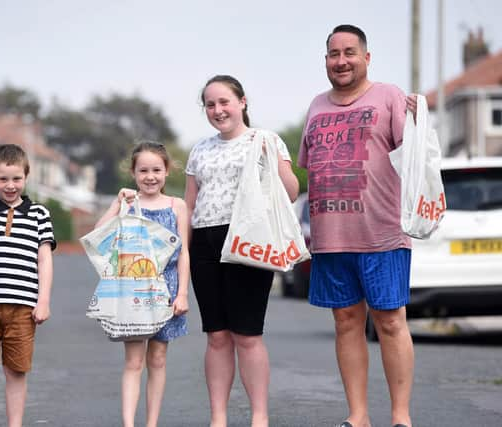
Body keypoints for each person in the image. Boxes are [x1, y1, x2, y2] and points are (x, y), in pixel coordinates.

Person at [298, 25, 417, 427]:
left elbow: (415, 156)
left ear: (366, 57)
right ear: (326, 60)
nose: (341, 61)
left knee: (389, 320)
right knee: (346, 322)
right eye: (333, 54)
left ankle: (400, 417)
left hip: (382, 232)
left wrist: (421, 122)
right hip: (331, 237)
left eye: (350, 52)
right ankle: (359, 416)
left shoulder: (390, 96)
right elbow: (305, 168)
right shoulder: (315, 106)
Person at [184, 75, 300, 427]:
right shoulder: (199, 149)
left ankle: (259, 417)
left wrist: (272, 161)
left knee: (247, 335)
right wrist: (180, 252)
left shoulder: (265, 139)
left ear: (242, 102)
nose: (218, 110)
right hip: (205, 241)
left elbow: (292, 192)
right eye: (210, 104)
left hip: (249, 239)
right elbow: (189, 205)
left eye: (224, 102)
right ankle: (218, 417)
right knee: (216, 335)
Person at [95, 141, 190, 427]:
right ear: (133, 173)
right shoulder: (128, 204)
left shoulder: (177, 206)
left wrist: (182, 293)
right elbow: (97, 235)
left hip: (168, 289)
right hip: (132, 291)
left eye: (156, 170)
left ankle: (151, 423)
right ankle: (128, 423)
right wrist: (116, 205)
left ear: (166, 171)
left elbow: (185, 251)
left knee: (158, 359)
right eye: (144, 170)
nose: (150, 176)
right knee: (134, 362)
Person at [0, 144, 56, 427]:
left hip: (23, 308)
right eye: (2, 179)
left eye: (16, 178)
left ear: (26, 177)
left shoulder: (39, 214)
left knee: (17, 373)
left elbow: (44, 261)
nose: (10, 185)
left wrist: (43, 301)